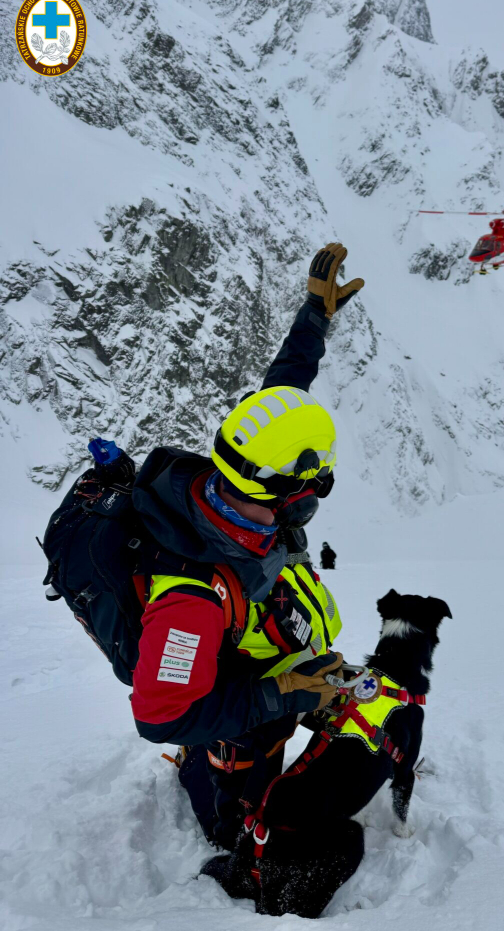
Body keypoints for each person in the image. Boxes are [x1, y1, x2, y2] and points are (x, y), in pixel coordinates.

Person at [128, 242, 365, 849]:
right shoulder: (190, 602)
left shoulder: (244, 477)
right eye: (313, 486)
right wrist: (275, 695)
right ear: (288, 492)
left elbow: (281, 392)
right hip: (239, 713)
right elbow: (159, 714)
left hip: (268, 655)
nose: (313, 497)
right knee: (239, 807)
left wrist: (315, 317)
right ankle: (215, 807)